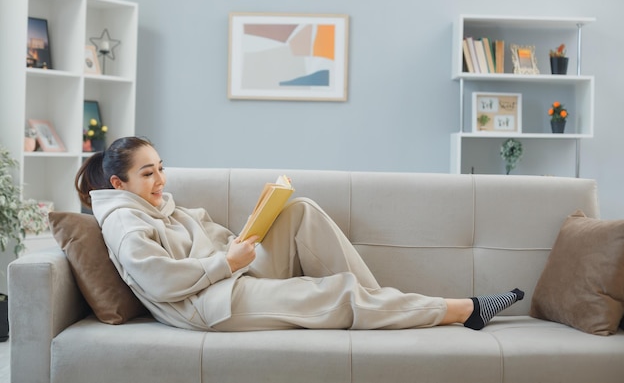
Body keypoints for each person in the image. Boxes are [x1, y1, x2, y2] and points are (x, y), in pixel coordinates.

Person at [75, 136, 524, 332]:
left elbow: (213, 240)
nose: (161, 181)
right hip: (210, 304)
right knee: (339, 293)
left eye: (161, 169)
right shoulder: (123, 220)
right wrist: (225, 264)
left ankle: (384, 309)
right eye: (149, 174)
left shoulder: (157, 206)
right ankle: (466, 310)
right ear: (119, 184)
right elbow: (158, 280)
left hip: (231, 274)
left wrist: (249, 233)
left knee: (301, 210)